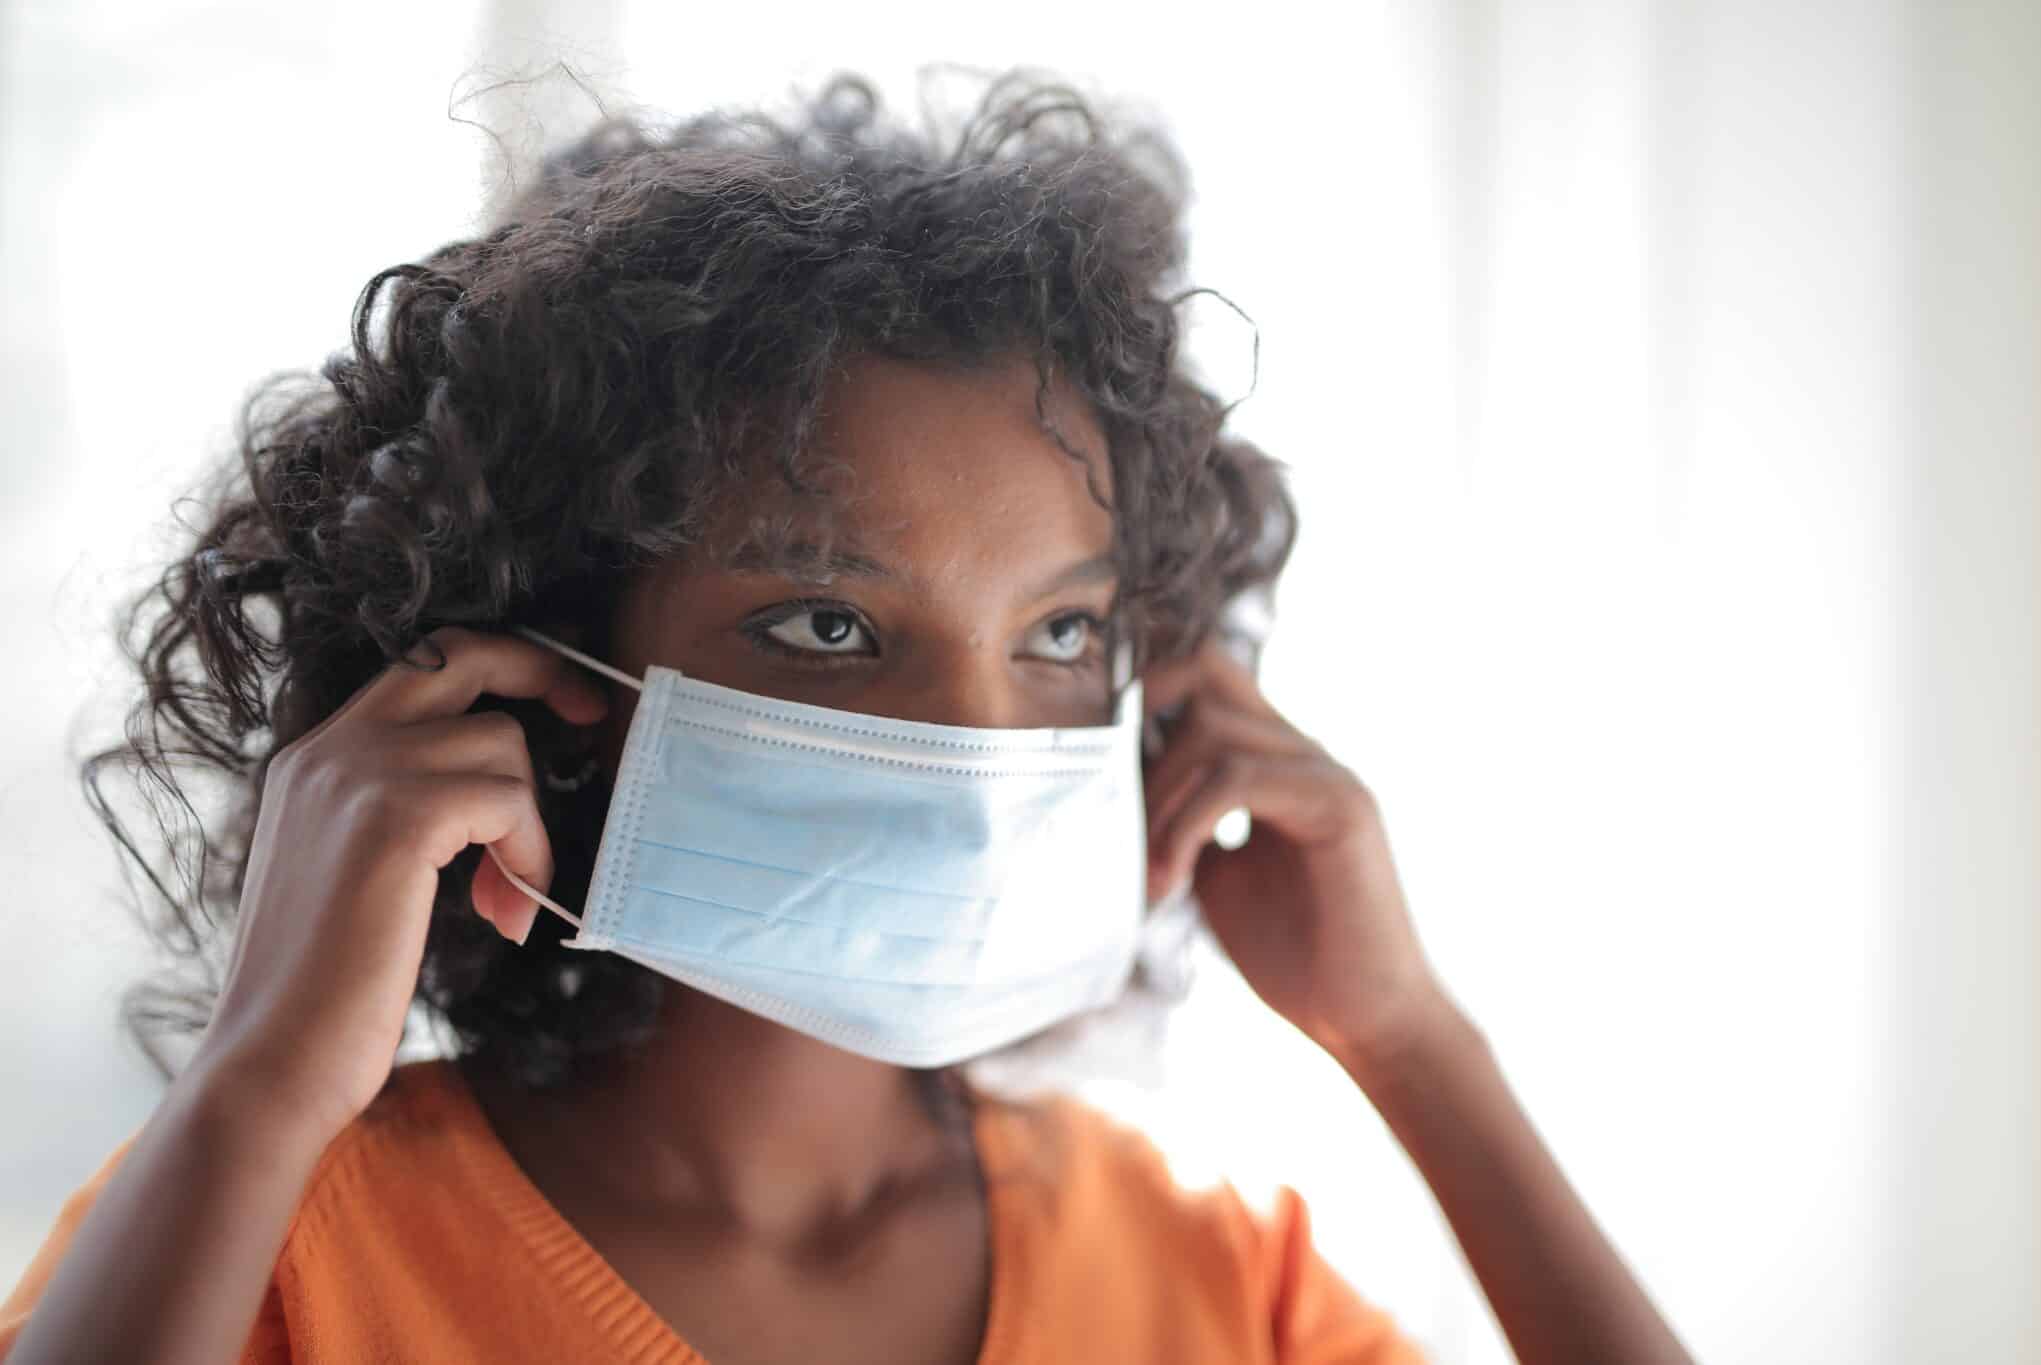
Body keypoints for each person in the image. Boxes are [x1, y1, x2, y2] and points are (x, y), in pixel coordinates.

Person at [0, 69, 1692, 1364]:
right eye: (829, 622)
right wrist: (258, 1084)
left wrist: (1416, 1045)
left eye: (1061, 630)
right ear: (541, 674)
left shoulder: (1212, 1283)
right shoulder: (273, 1245)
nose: (979, 748)